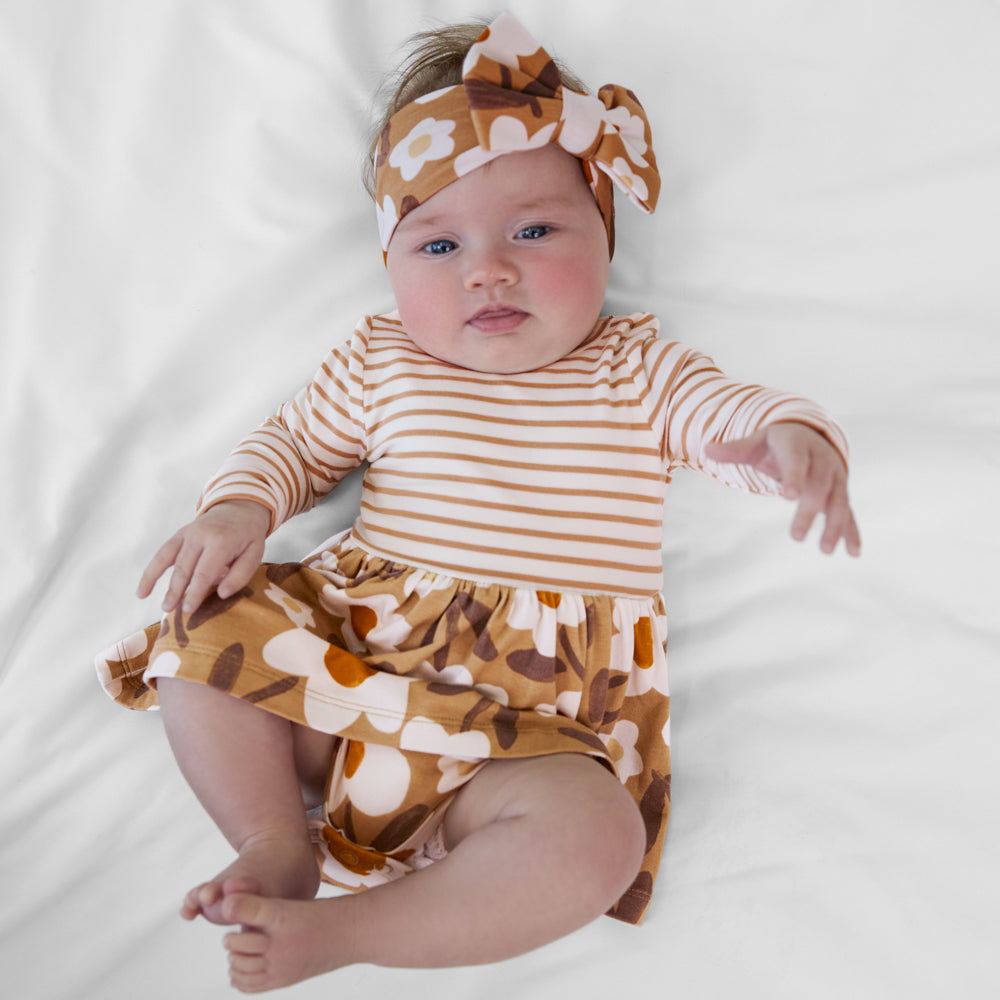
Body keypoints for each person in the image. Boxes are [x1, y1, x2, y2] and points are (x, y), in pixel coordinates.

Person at [96, 12, 861, 993]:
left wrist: (787, 440)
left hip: (521, 732)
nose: (487, 268)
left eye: (535, 229)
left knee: (597, 842)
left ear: (605, 232)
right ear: (389, 265)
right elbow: (291, 444)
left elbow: (726, 413)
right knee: (196, 632)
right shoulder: (383, 359)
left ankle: (346, 932)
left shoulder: (633, 366)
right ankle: (270, 840)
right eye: (437, 244)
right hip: (347, 667)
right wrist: (241, 510)